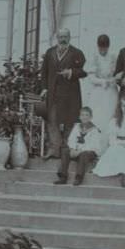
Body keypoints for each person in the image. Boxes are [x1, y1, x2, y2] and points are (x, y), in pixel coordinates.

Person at [40, 28, 87, 159]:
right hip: (53, 93)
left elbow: (84, 71)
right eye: (60, 37)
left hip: (70, 95)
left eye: (65, 36)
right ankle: (54, 149)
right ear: (57, 38)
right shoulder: (50, 53)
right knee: (52, 120)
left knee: (69, 122)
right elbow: (44, 73)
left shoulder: (77, 53)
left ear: (69, 37)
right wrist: (44, 88)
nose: (63, 39)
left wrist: (71, 72)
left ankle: (66, 149)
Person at [54, 106, 103, 186]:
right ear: (79, 117)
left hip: (88, 152)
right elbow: (71, 139)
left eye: (87, 115)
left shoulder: (94, 130)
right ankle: (63, 176)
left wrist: (80, 151)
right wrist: (73, 149)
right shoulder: (77, 127)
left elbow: (93, 145)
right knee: (65, 150)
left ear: (91, 117)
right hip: (76, 151)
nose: (84, 117)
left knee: (84, 154)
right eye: (82, 115)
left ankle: (79, 177)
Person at [86, 34, 118, 131]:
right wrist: (103, 81)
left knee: (110, 114)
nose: (103, 50)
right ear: (98, 46)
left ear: (108, 47)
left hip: (111, 90)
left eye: (105, 48)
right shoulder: (94, 57)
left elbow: (117, 73)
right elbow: (91, 77)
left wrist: (114, 79)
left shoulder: (113, 56)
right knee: (97, 115)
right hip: (98, 90)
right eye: (101, 48)